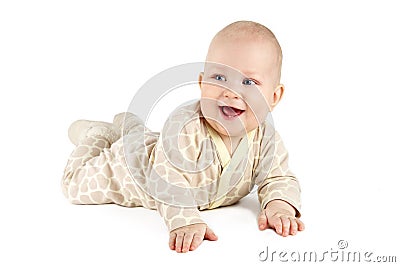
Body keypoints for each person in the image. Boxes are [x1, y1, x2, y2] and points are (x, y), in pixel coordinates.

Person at [62, 20, 305, 253]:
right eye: (219, 78)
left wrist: (279, 205)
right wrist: (185, 219)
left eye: (249, 81)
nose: (231, 91)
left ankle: (128, 126)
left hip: (154, 146)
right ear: (201, 83)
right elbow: (168, 179)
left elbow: (278, 177)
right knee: (73, 186)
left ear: (274, 97)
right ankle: (97, 135)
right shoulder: (185, 125)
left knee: (145, 140)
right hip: (129, 171)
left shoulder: (266, 139)